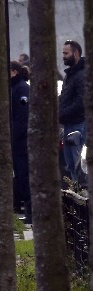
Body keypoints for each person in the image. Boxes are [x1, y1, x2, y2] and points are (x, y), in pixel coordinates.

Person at [59, 39, 86, 185]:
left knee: (77, 166)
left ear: (75, 53)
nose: (63, 56)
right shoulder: (70, 74)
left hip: (78, 125)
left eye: (66, 53)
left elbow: (82, 102)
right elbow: (65, 97)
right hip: (70, 124)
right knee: (70, 166)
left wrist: (62, 114)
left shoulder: (81, 75)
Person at [9, 61, 31, 224]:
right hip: (17, 140)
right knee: (20, 175)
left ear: (14, 72)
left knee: (24, 175)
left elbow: (23, 115)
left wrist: (15, 135)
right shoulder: (15, 88)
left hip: (21, 141)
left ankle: (30, 213)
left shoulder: (22, 89)